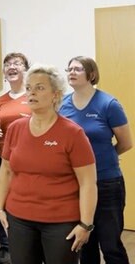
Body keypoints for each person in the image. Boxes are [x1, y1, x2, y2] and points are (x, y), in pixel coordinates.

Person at [0, 64, 97, 264]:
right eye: (29, 88)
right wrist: (0, 209)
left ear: (55, 95)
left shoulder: (72, 133)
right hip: (19, 218)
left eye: (40, 87)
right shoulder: (16, 128)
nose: (31, 92)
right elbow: (6, 171)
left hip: (60, 222)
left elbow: (88, 183)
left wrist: (86, 224)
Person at [60, 56, 132, 264]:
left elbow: (126, 143)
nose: (72, 72)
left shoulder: (108, 104)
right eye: (69, 69)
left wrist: (97, 161)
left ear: (91, 74)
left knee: (110, 244)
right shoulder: (62, 104)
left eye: (78, 69)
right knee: (84, 242)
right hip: (77, 184)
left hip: (107, 182)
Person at [0, 52, 31, 263]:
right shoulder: (1, 100)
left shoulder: (32, 97)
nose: (11, 67)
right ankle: (10, 247)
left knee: (25, 208)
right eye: (7, 64)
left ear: (26, 69)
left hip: (30, 164)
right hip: (7, 161)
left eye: (17, 63)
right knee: (6, 205)